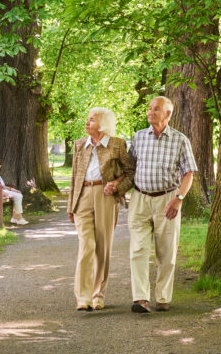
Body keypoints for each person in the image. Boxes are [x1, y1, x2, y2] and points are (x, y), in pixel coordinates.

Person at [107, 95, 196, 313]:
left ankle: (163, 297)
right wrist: (116, 183)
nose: (150, 112)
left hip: (167, 199)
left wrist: (179, 198)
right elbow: (130, 168)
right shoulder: (138, 137)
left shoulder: (180, 140)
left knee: (166, 252)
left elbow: (189, 173)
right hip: (139, 198)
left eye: (156, 109)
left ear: (168, 114)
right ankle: (140, 299)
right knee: (138, 248)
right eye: (149, 108)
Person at [68, 107, 135, 311]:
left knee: (102, 248)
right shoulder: (80, 144)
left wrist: (117, 186)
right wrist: (71, 206)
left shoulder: (117, 144)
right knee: (86, 245)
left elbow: (131, 172)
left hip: (106, 197)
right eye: (87, 119)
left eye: (92, 120)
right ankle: (83, 297)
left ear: (104, 123)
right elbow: (74, 177)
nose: (87, 123)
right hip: (83, 196)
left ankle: (98, 295)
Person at [0, 157, 28, 225]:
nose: (0, 166)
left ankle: (14, 218)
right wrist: (6, 194)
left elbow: (2, 186)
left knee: (18, 194)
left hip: (0, 191)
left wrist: (12, 189)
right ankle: (18, 218)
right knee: (18, 196)